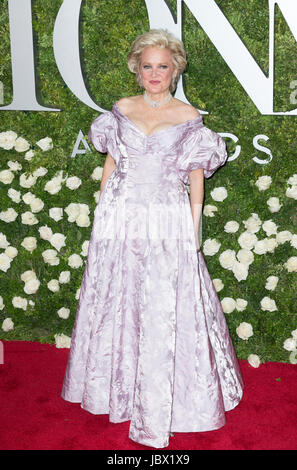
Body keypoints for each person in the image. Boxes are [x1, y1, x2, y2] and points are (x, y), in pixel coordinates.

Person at [61, 28, 243, 449]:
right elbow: (111, 162)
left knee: (164, 302)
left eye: (163, 66)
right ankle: (114, 389)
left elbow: (196, 177)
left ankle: (169, 398)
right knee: (116, 296)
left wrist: (193, 230)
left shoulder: (188, 117)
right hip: (120, 217)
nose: (155, 73)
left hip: (166, 219)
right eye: (148, 66)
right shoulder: (120, 110)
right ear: (137, 69)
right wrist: (101, 212)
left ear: (176, 68)